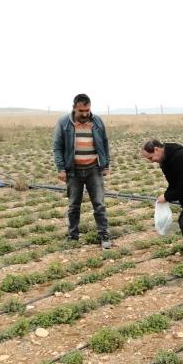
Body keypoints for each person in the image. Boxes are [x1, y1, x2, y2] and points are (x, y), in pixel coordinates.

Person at [53, 93, 112, 249]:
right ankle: (73, 236)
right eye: (81, 111)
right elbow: (57, 147)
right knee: (74, 206)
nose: (85, 114)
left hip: (93, 169)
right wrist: (61, 168)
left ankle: (103, 234)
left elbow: (105, 143)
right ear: (74, 108)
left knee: (99, 204)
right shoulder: (64, 123)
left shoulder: (97, 121)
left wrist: (106, 165)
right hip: (74, 171)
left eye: (87, 110)